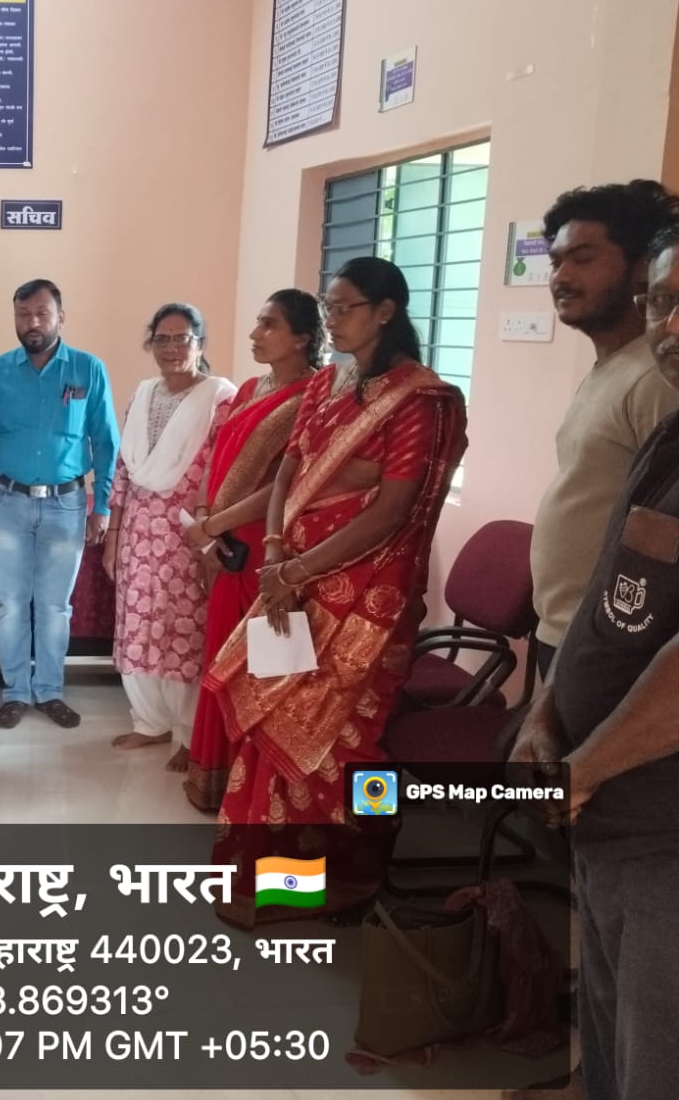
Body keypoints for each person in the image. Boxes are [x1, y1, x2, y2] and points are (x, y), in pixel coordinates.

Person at [507, 205, 679, 1100]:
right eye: (665, 300)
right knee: (613, 1052)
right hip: (611, 813)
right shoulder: (678, 434)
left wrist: (582, 769)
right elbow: (607, 600)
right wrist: (546, 713)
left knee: (670, 1074)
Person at [203, 258, 466, 918]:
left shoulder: (422, 401)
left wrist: (294, 571)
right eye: (328, 307)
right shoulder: (326, 383)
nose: (332, 319)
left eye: (344, 307)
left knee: (348, 743)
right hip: (285, 587)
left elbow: (393, 511)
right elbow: (287, 476)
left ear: (386, 311)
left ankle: (353, 873)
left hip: (365, 599)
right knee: (270, 726)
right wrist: (274, 553)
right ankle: (266, 880)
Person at [529, 181, 679, 680]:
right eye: (556, 261)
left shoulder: (656, 378)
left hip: (609, 645)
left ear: (643, 266)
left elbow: (673, 534)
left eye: (583, 258)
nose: (562, 276)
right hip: (570, 631)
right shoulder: (613, 369)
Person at [182, 290, 324, 811]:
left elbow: (286, 486)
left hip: (263, 548)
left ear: (302, 338)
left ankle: (256, 790)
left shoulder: (313, 398)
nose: (254, 334)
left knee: (259, 668)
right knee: (220, 657)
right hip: (221, 544)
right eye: (258, 323)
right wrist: (204, 524)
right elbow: (216, 458)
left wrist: (213, 525)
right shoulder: (249, 388)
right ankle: (215, 776)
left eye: (269, 325)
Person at [0, 279, 120, 730]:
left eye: (41, 313)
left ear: (60, 317)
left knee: (54, 606)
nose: (32, 322)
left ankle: (49, 690)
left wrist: (103, 505)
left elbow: (106, 442)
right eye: (23, 314)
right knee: (11, 604)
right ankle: (15, 692)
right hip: (6, 502)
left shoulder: (88, 370)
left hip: (66, 505)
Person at [103, 303, 236, 770]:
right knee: (139, 626)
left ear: (200, 343)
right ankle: (150, 722)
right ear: (151, 344)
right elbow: (123, 469)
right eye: (163, 339)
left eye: (183, 338)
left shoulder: (220, 398)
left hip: (187, 532)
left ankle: (187, 732)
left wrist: (206, 530)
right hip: (138, 532)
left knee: (182, 630)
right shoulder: (142, 395)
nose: (172, 348)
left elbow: (221, 470)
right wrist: (114, 535)